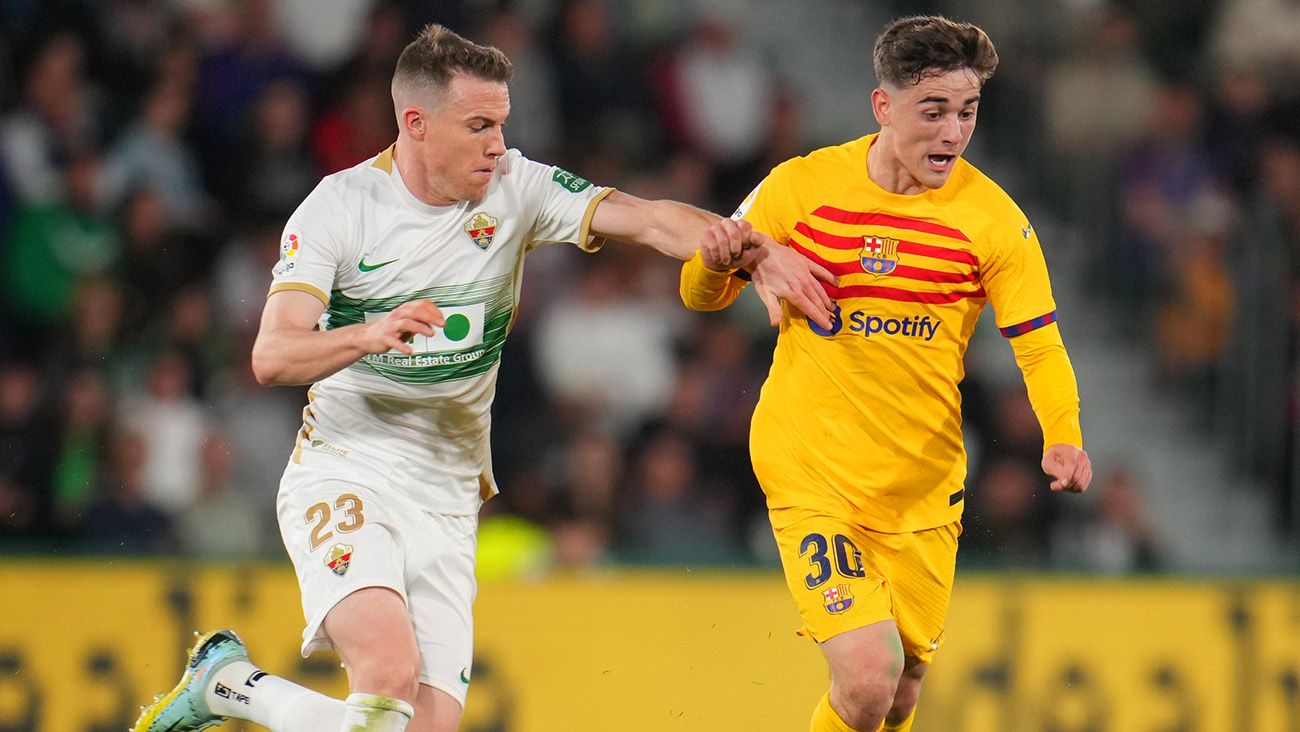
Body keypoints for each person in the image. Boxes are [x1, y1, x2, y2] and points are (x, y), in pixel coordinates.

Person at [133, 24, 832, 732]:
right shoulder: (338, 209)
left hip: (449, 494)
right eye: (478, 126)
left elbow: (647, 219)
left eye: (501, 123)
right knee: (387, 676)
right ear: (416, 123)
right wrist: (368, 333)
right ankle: (232, 686)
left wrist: (749, 249)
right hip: (347, 472)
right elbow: (271, 355)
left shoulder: (515, 186)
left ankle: (228, 682)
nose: (498, 144)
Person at [680, 15, 1092, 732]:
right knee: (870, 678)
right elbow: (698, 292)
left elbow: (1039, 342)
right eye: (933, 111)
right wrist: (717, 261)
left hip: (922, 488)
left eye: (966, 112)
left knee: (897, 696)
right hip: (813, 472)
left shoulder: (993, 220)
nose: (952, 132)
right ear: (883, 107)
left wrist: (1064, 434)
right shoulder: (802, 187)